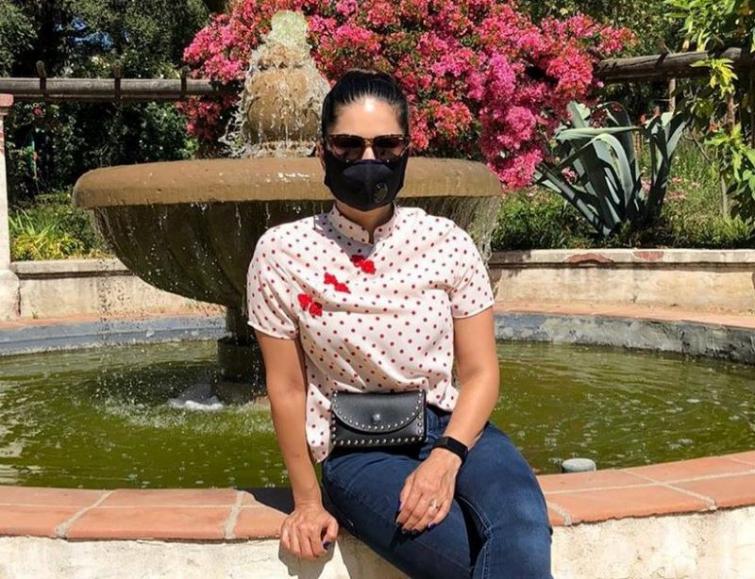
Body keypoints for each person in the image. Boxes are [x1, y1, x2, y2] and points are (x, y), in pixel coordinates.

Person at [246, 68, 554, 579]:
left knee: (521, 524)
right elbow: (287, 388)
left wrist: (447, 456)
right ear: (323, 152)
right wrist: (307, 501)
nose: (369, 160)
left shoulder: (447, 242)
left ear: (406, 150)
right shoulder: (283, 252)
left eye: (386, 145)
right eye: (349, 145)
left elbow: (480, 372)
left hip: (454, 430)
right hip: (358, 448)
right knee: (460, 550)